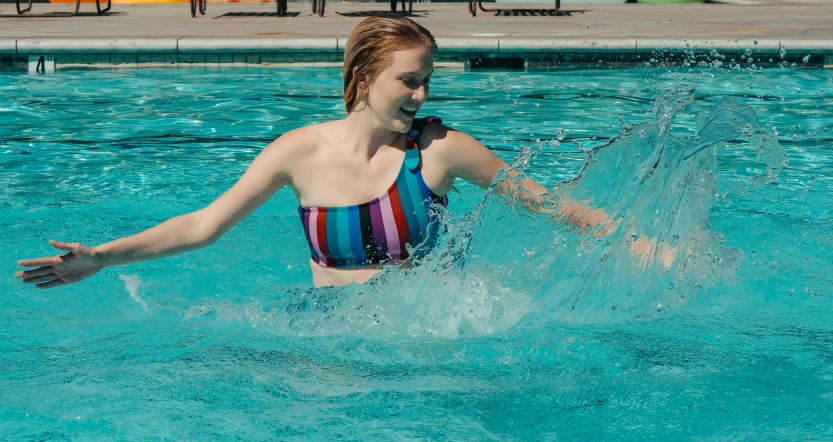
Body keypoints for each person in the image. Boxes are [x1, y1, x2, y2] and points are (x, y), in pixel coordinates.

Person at [15, 14, 611, 289]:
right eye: (408, 80)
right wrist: (102, 258)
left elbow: (548, 205)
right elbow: (204, 224)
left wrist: (633, 239)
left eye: (427, 79)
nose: (422, 94)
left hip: (432, 343)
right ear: (362, 78)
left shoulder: (440, 150)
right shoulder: (298, 152)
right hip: (330, 340)